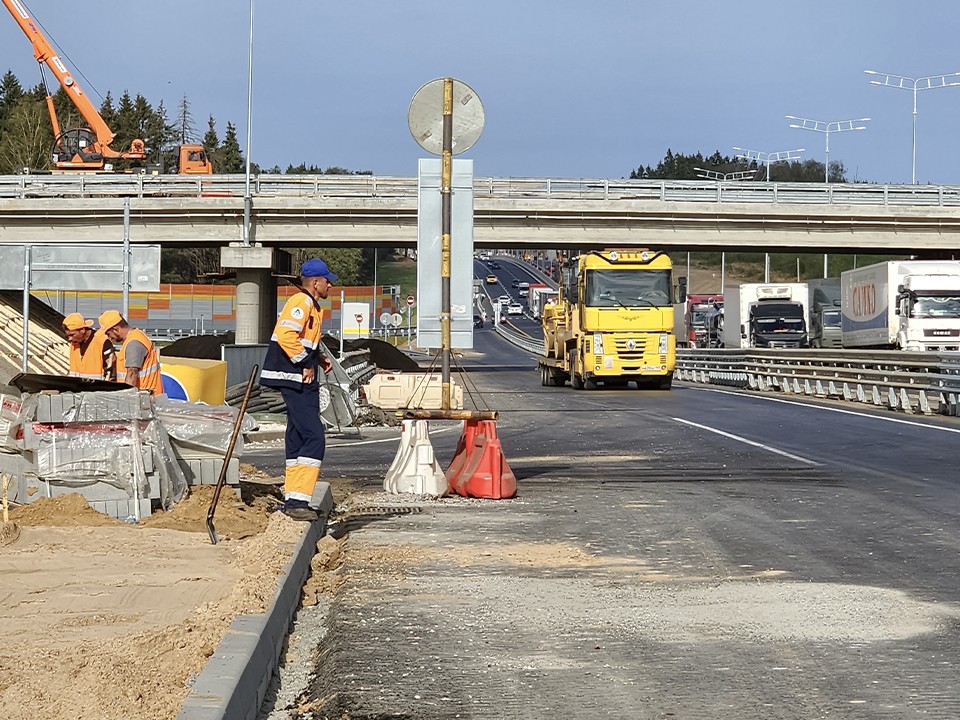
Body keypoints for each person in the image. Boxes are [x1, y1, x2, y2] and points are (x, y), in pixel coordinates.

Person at [260, 258, 336, 522]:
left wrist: (317, 358)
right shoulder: (301, 303)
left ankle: (294, 497)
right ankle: (298, 501)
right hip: (294, 377)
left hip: (296, 377)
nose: (330, 285)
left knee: (296, 435)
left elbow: (303, 339)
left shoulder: (311, 305)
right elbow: (286, 335)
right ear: (315, 283)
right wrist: (305, 363)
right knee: (314, 436)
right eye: (327, 281)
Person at [97, 310, 163, 395]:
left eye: (108, 334)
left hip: (143, 400)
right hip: (145, 397)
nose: (108, 337)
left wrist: (126, 398)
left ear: (115, 330)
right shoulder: (136, 335)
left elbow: (132, 373)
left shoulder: (133, 343)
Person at [62, 312, 116, 381]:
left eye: (72, 335)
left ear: (82, 330)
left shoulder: (101, 341)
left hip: (97, 389)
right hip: (77, 389)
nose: (70, 339)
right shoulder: (74, 343)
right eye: (68, 336)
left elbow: (112, 370)